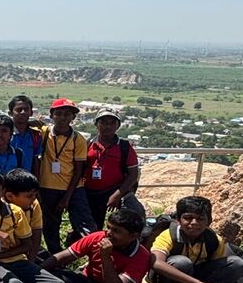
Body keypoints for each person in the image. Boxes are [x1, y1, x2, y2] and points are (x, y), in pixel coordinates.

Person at [150, 196, 243, 283]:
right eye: (188, 218)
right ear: (178, 219)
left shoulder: (214, 240)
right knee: (182, 262)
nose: (194, 223)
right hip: (168, 279)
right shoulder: (169, 236)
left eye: (200, 219)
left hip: (196, 278)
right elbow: (156, 263)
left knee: (237, 263)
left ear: (209, 221)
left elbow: (222, 268)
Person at [38, 98, 93, 251]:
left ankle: (93, 254)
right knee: (50, 225)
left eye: (67, 114)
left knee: (85, 223)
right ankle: (55, 256)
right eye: (59, 114)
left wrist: (67, 197)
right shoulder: (44, 133)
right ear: (51, 115)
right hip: (48, 186)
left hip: (73, 187)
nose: (63, 117)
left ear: (73, 117)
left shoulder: (78, 139)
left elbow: (78, 170)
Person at [82, 107, 145, 235]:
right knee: (91, 226)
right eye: (103, 122)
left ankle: (134, 242)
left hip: (116, 189)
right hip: (90, 192)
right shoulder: (88, 145)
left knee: (136, 213)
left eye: (112, 123)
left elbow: (133, 174)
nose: (108, 126)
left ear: (118, 126)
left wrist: (117, 195)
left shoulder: (124, 147)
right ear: (96, 124)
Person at [3, 168, 43, 262]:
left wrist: (31, 262)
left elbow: (36, 235)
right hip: (5, 254)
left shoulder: (33, 204)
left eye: (35, 195)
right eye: (29, 196)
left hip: (27, 251)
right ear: (10, 196)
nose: (34, 199)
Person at [8, 95, 42, 176]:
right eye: (19, 110)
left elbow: (36, 160)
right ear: (10, 113)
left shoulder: (35, 135)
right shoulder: (3, 134)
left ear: (31, 113)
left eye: (26, 110)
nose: (23, 112)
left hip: (27, 179)